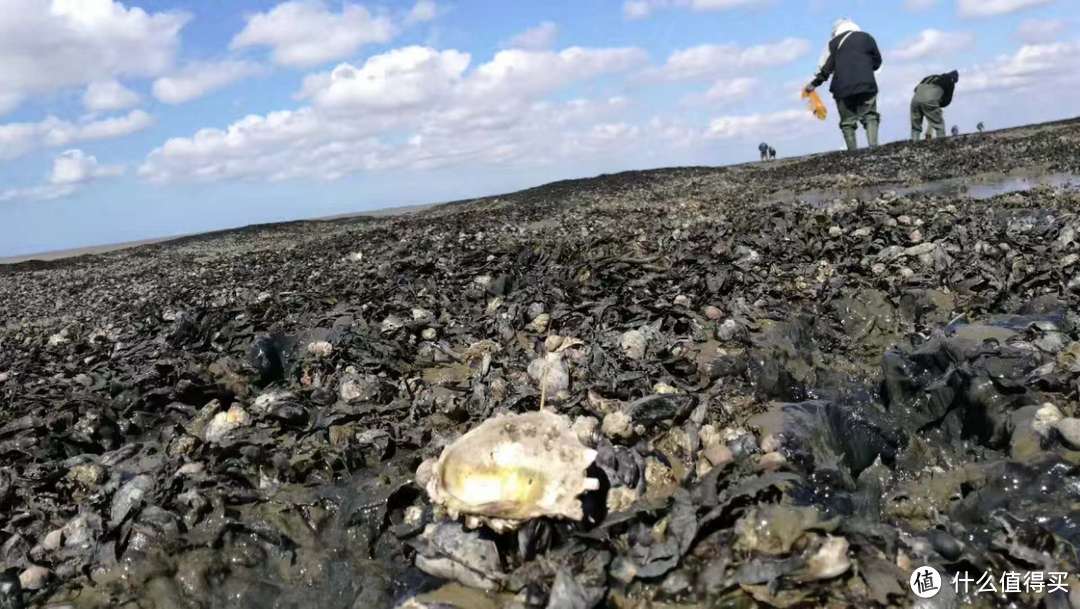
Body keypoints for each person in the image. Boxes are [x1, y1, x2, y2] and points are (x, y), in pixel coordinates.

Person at [805, 18, 882, 151]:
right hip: (866, 84)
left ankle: (852, 154)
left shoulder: (833, 44)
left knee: (847, 122)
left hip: (841, 88)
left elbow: (826, 68)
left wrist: (813, 84)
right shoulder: (867, 37)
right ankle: (873, 148)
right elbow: (877, 61)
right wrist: (866, 69)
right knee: (870, 116)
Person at [911, 71, 958, 142]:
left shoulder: (931, 77)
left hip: (915, 100)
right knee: (939, 124)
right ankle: (942, 144)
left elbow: (915, 89)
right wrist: (937, 104)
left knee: (916, 125)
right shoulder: (950, 81)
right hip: (930, 99)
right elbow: (947, 101)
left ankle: (914, 143)